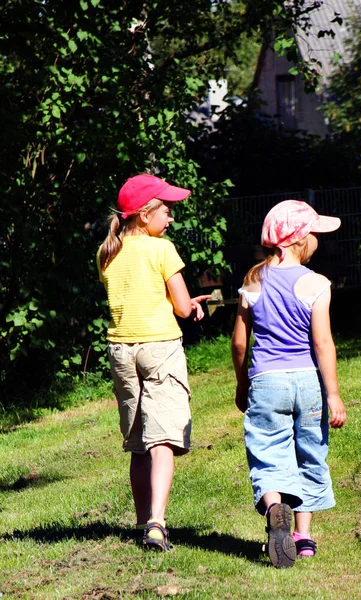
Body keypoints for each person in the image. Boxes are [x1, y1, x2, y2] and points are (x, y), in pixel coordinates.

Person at [97, 173, 210, 551]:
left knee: (137, 443)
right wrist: (192, 305)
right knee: (163, 438)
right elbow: (180, 306)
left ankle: (141, 520)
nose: (171, 218)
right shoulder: (162, 249)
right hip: (160, 347)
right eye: (166, 210)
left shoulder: (108, 251)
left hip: (121, 350)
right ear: (144, 215)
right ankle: (158, 524)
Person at [231, 200, 347, 569]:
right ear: (298, 240)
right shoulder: (316, 283)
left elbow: (238, 343)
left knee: (267, 450)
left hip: (266, 381)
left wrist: (240, 382)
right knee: (309, 452)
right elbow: (322, 343)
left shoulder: (252, 282)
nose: (317, 241)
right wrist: (333, 394)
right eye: (313, 234)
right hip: (308, 381)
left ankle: (273, 505)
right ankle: (303, 536)